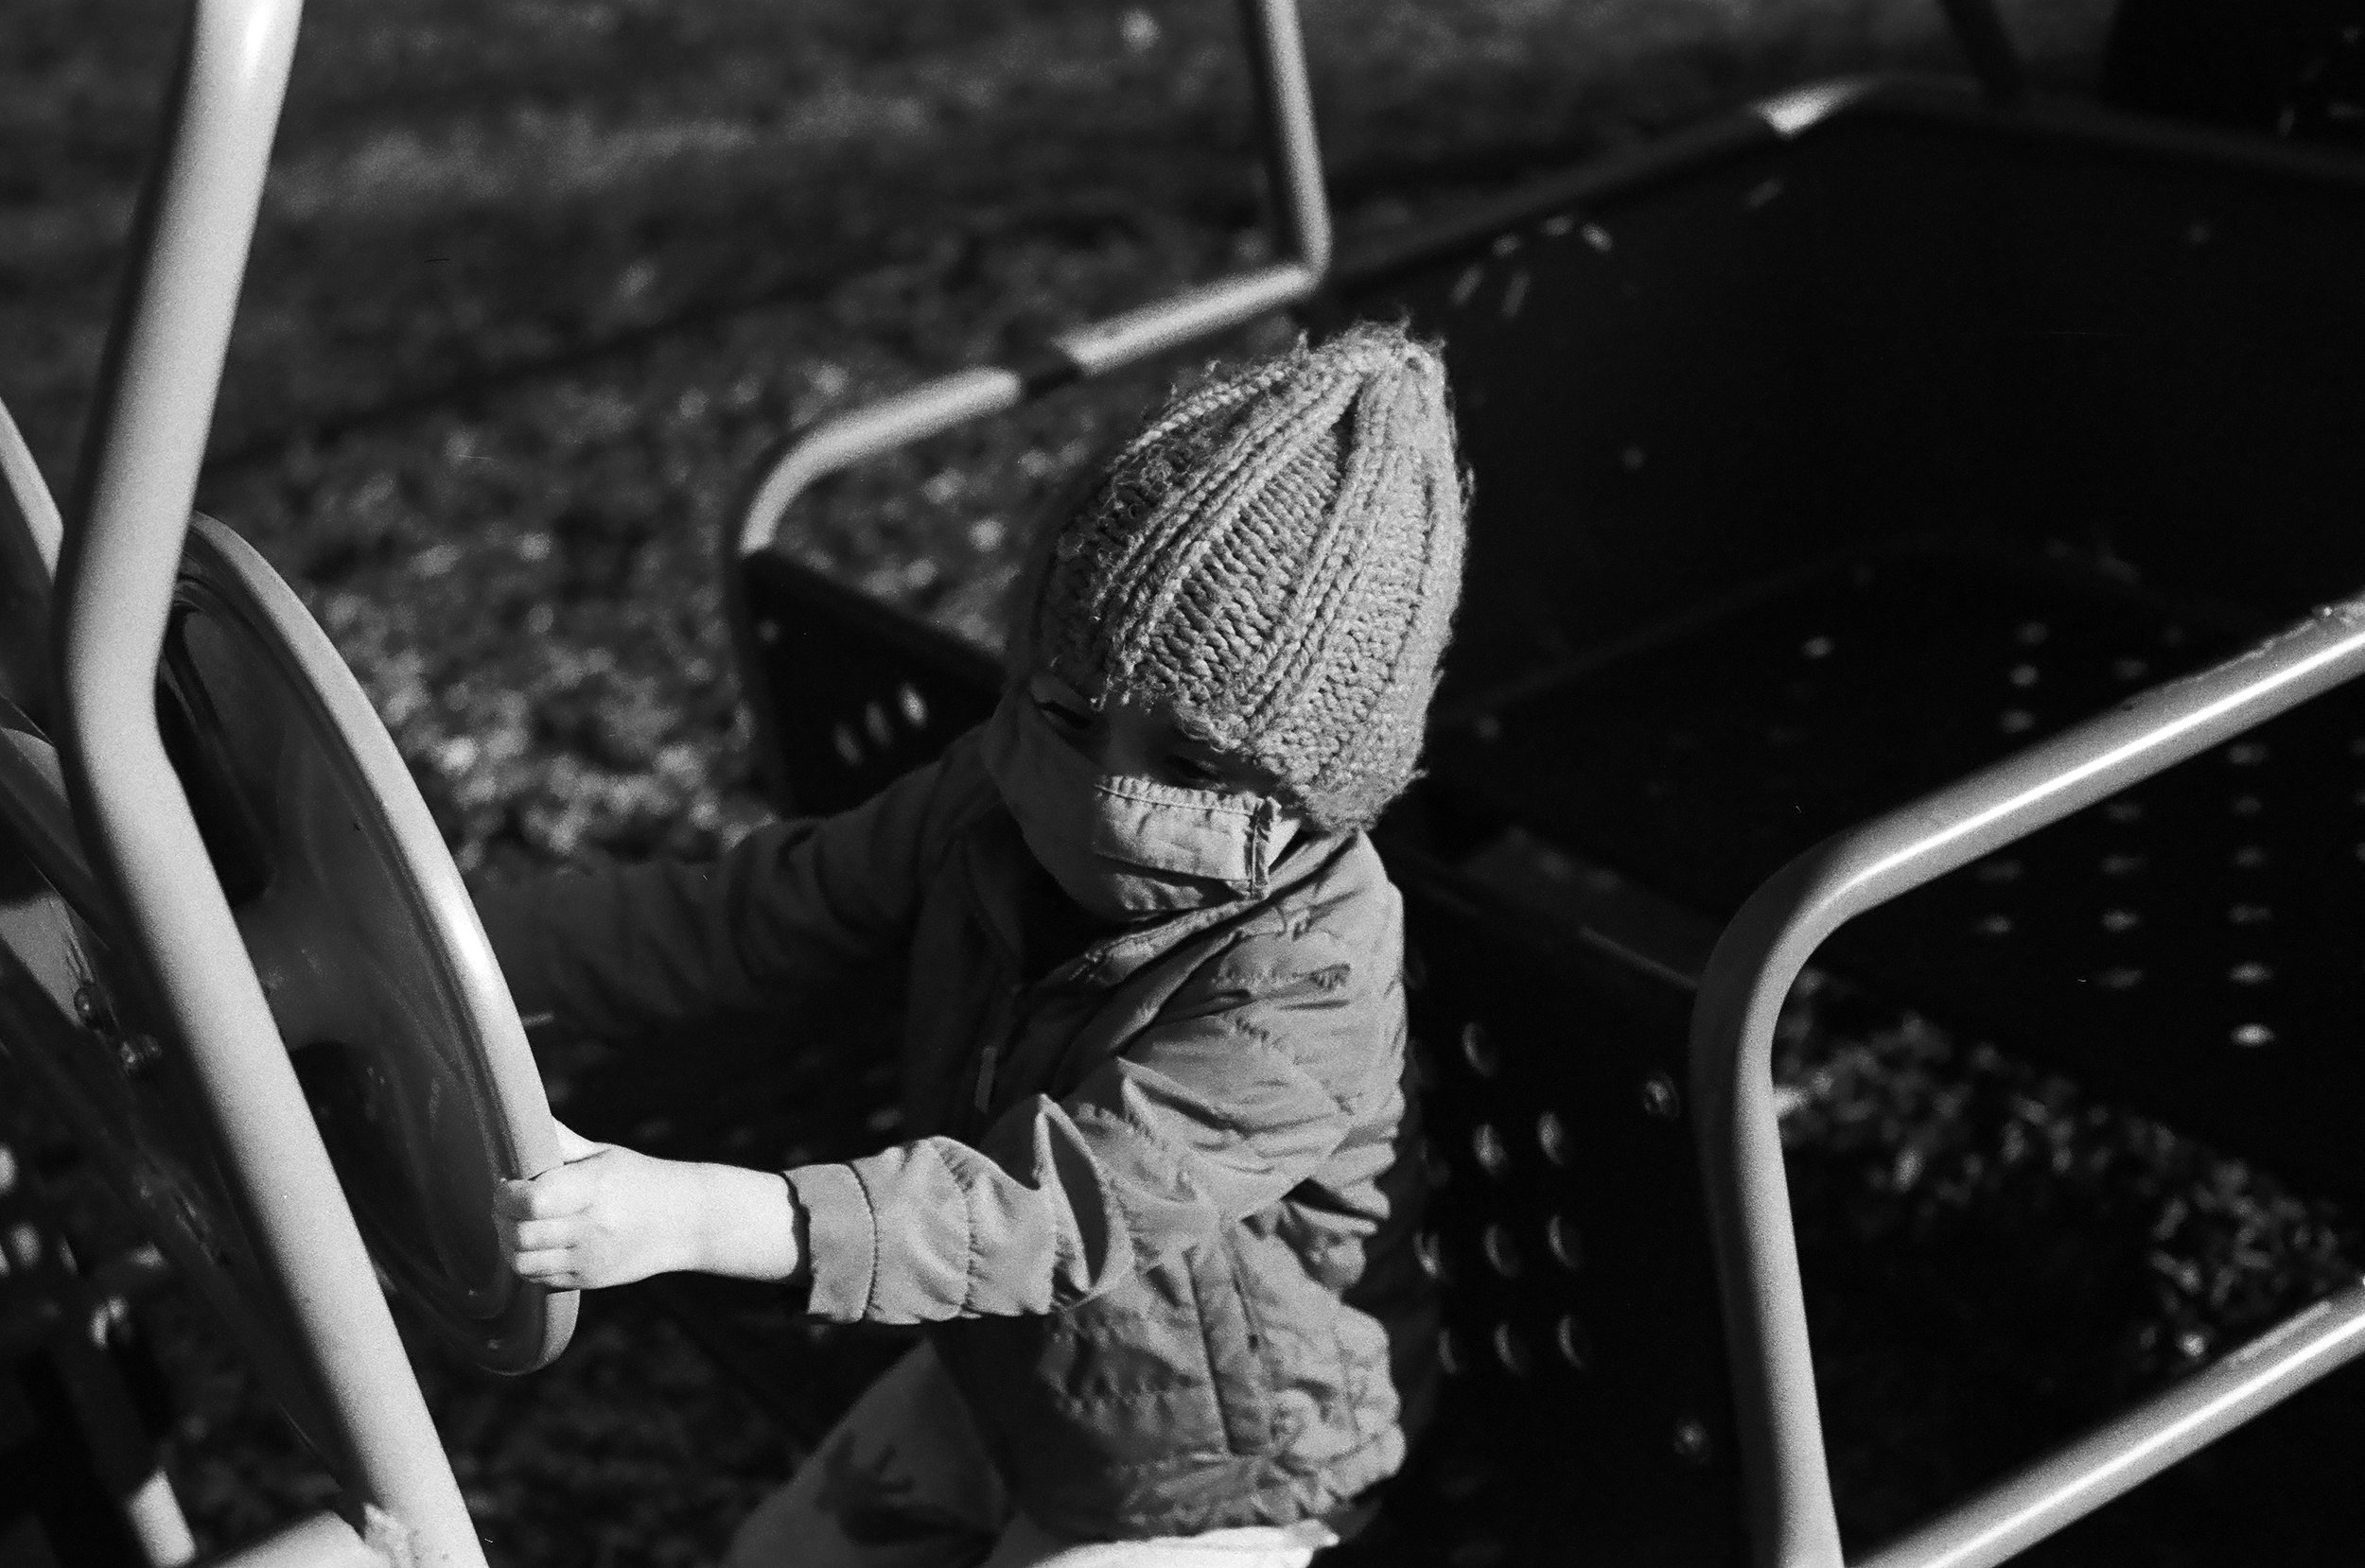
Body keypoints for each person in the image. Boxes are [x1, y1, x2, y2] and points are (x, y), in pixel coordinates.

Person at [479, 322, 1466, 1568]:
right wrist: (467, 949)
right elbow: (751, 915)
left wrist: (700, 1215)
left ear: (1322, 784)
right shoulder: (992, 797)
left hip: (1238, 1460)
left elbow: (1050, 1208)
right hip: (1021, 1374)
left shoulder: (1310, 979)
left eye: (1194, 763)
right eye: (1068, 711)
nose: (1106, 794)